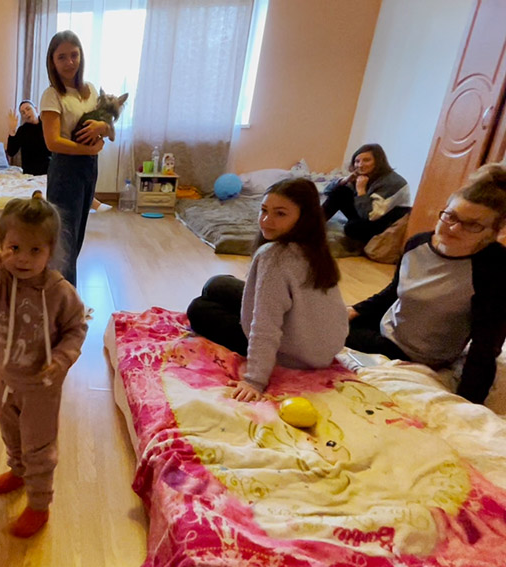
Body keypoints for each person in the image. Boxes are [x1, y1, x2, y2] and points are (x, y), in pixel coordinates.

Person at [0, 194, 87, 538]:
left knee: (39, 444)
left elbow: (76, 328)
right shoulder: (1, 280)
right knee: (11, 432)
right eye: (15, 247)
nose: (23, 258)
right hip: (3, 377)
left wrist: (60, 360)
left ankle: (39, 504)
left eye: (36, 251)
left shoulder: (59, 291)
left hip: (41, 386)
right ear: (1, 245)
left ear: (51, 252)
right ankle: (18, 470)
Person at [346, 163, 506, 404]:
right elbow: (393, 293)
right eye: (450, 215)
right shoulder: (417, 244)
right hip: (389, 327)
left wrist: (466, 404)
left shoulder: (494, 269)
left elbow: (485, 346)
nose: (452, 227)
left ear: (495, 231)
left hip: (419, 354)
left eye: (472, 224)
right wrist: (354, 310)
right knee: (321, 319)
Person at [187, 178, 349, 401]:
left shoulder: (274, 256)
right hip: (322, 348)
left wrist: (255, 379)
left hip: (292, 353)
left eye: (280, 214)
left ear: (304, 218)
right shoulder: (317, 248)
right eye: (263, 210)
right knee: (217, 284)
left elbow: (266, 326)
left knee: (199, 308)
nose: (266, 220)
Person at [40, 30, 113, 286]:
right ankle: (64, 300)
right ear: (52, 61)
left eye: (74, 55)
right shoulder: (52, 95)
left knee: (78, 237)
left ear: (81, 55)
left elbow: (107, 128)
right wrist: (90, 150)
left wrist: (100, 129)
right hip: (65, 170)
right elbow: (53, 142)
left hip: (88, 169)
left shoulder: (90, 90)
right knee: (64, 241)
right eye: (62, 57)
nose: (69, 62)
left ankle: (65, 297)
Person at [322, 143, 411, 243]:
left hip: (385, 221)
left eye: (366, 160)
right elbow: (327, 192)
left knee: (352, 228)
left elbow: (370, 215)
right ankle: (313, 224)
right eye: (357, 161)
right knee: (341, 191)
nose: (360, 165)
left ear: (378, 161)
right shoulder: (363, 176)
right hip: (367, 213)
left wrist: (361, 190)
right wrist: (345, 180)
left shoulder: (392, 182)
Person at [7, 100, 52, 176]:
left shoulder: (47, 126)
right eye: (23, 113)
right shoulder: (22, 130)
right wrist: (12, 130)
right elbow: (11, 152)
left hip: (48, 171)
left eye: (28, 109)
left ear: (36, 109)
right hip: (29, 173)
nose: (26, 113)